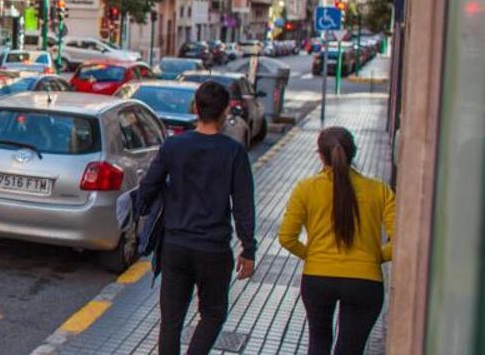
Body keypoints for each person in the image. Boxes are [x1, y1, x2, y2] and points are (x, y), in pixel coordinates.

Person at [138, 81, 257, 355]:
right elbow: (243, 205)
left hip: (176, 246)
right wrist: (248, 249)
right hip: (214, 249)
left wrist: (143, 210)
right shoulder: (234, 152)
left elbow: (148, 187)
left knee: (171, 321)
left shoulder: (173, 146)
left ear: (195, 107)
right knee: (213, 314)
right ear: (225, 111)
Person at [278, 127, 394, 355]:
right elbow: (403, 240)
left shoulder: (306, 188)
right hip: (365, 281)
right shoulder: (379, 190)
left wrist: (313, 256)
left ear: (320, 154)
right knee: (350, 349)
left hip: (317, 278)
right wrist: (376, 257)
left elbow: (286, 238)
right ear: (354, 153)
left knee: (318, 344)